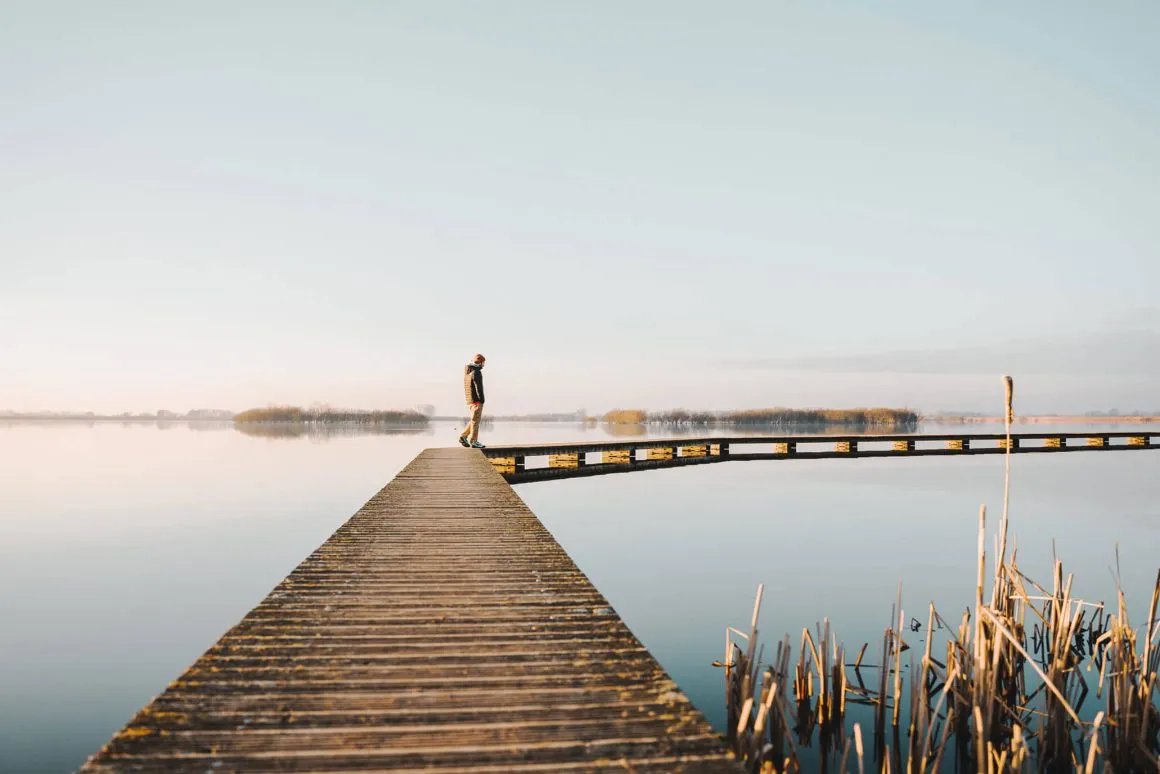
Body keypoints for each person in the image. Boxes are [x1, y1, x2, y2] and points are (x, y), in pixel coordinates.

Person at [458, 353, 486, 448]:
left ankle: (463, 436)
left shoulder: (468, 372)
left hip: (469, 400)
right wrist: (481, 400)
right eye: (483, 362)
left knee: (473, 420)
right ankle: (474, 441)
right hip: (476, 400)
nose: (484, 365)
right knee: (475, 421)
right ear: (480, 362)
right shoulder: (476, 372)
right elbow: (478, 388)